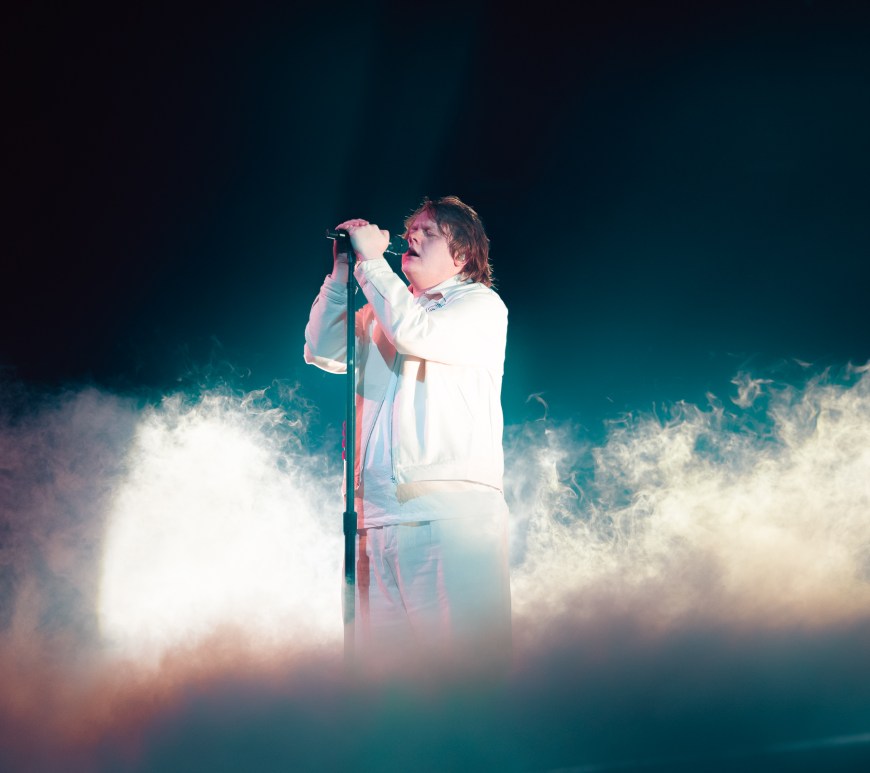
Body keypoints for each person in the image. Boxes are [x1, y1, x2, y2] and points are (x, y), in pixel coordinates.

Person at [304, 196, 511, 673]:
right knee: (386, 684)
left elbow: (415, 333)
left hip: (447, 517)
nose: (411, 237)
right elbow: (321, 349)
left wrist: (372, 264)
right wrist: (342, 272)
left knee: (464, 675)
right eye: (410, 230)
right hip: (374, 518)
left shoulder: (479, 306)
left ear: (461, 255)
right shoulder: (386, 310)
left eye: (428, 232)